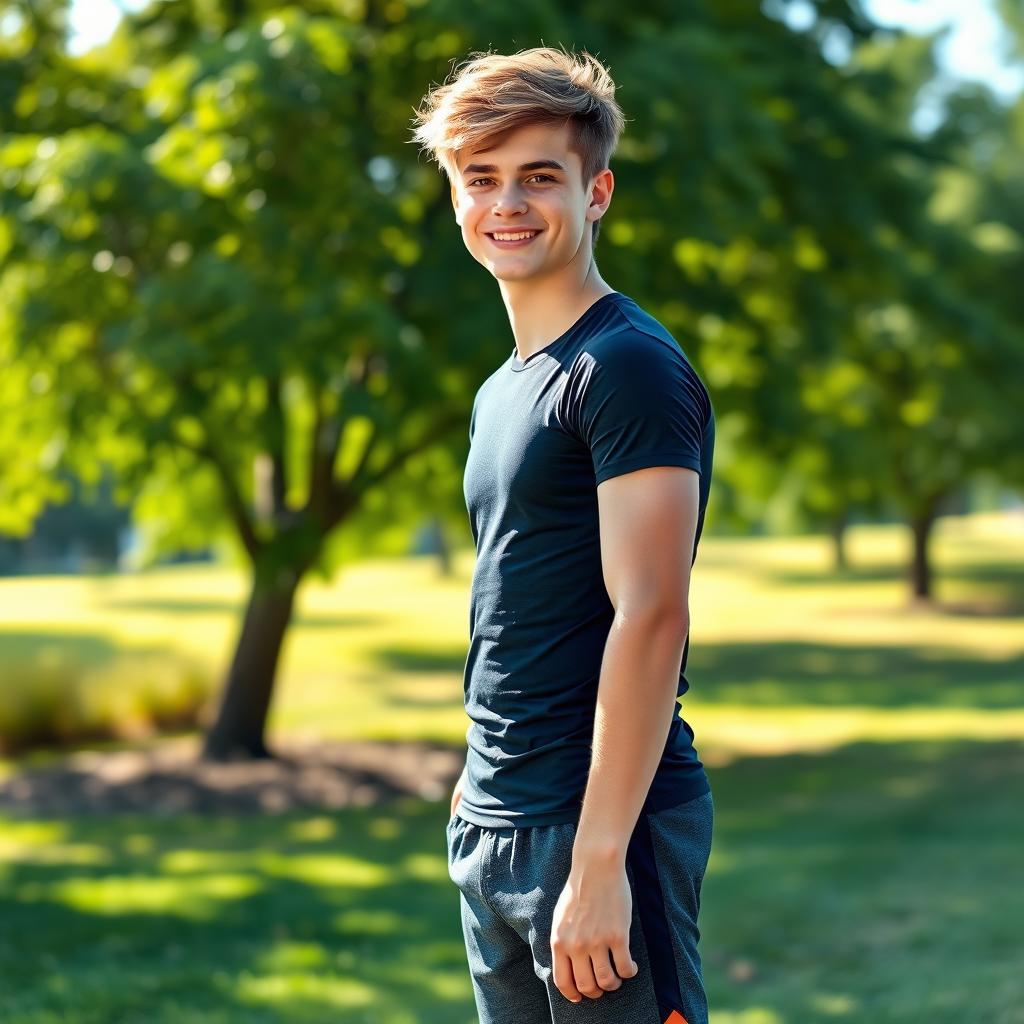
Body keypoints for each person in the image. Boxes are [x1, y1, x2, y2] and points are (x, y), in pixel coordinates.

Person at [410, 45, 716, 1024]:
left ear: (597, 193)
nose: (507, 202)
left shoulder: (623, 366)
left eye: (540, 176)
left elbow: (651, 614)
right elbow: (515, 591)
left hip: (599, 831)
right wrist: (475, 785)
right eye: (481, 178)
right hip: (496, 821)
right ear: (456, 198)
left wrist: (595, 862)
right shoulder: (504, 388)